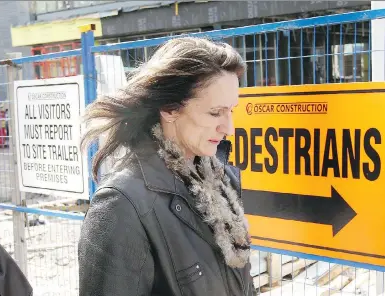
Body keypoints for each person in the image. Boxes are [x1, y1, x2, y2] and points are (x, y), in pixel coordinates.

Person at [78, 37, 256, 296]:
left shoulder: (222, 181)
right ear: (169, 109)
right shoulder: (122, 205)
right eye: (215, 113)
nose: (228, 128)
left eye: (231, 111)